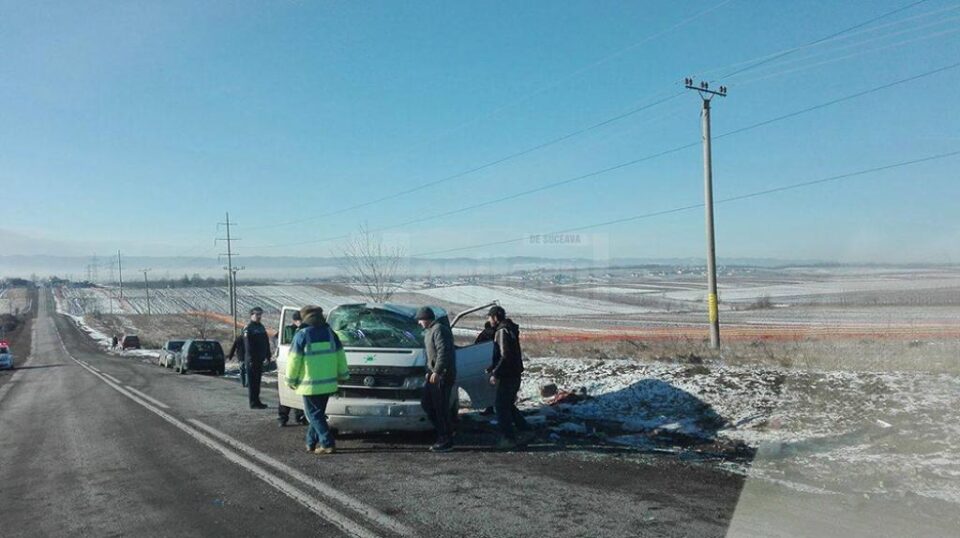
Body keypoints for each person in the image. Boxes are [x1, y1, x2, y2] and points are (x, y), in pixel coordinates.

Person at [285, 305, 349, 454]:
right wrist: (344, 375)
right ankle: (310, 442)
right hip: (329, 384)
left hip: (310, 385)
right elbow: (341, 356)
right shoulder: (330, 333)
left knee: (314, 415)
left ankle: (327, 443)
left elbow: (294, 360)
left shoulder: (302, 335)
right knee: (317, 414)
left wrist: (290, 380)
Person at [487, 305, 530, 449]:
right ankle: (525, 430)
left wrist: (496, 373)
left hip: (507, 375)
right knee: (508, 405)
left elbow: (504, 355)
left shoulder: (501, 331)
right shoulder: (510, 329)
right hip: (514, 373)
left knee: (500, 406)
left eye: (490, 317)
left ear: (495, 317)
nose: (489, 320)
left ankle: (508, 439)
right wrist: (493, 367)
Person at [416, 306, 456, 453]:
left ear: (426, 319)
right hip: (434, 375)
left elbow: (443, 352)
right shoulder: (429, 332)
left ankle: (445, 439)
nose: (419, 323)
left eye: (420, 319)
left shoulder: (438, 330)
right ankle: (445, 432)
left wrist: (437, 371)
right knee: (427, 403)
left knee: (440, 408)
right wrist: (429, 371)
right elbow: (431, 355)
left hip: (442, 376)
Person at [277, 311, 307, 427]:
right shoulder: (288, 330)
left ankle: (300, 416)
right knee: (286, 393)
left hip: (299, 364)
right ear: (294, 321)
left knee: (299, 392)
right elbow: (278, 339)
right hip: (287, 362)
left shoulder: (305, 331)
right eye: (298, 320)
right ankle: (282, 417)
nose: (300, 322)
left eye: (301, 320)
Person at [243, 306, 271, 409]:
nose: (259, 316)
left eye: (260, 314)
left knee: (257, 381)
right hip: (252, 359)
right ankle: (253, 402)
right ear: (252, 315)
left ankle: (257, 400)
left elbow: (266, 342)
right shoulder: (248, 328)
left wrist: (268, 355)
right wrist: (250, 358)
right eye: (257, 314)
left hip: (260, 358)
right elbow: (248, 345)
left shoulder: (261, 327)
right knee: (252, 382)